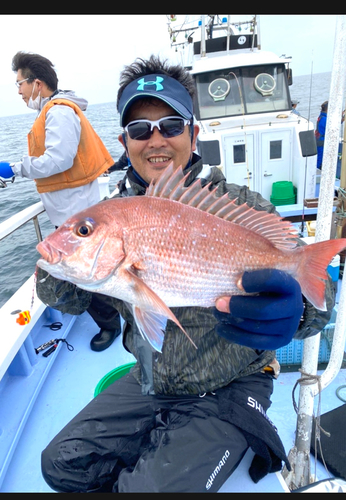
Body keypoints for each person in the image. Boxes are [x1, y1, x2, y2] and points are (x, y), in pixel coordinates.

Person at [38, 55, 335, 493]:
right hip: (150, 383)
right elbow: (63, 296)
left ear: (193, 134)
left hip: (230, 387)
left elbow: (317, 297)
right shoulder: (111, 212)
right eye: (140, 130)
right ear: (125, 142)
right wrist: (62, 257)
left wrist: (299, 310)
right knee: (59, 465)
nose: (155, 139)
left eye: (171, 125)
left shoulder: (241, 204)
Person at [0, 51, 121, 352]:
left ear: (37, 83)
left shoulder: (58, 112)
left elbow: (59, 159)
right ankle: (111, 318)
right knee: (88, 271)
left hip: (75, 211)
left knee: (87, 272)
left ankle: (110, 325)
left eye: (20, 84)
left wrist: (15, 168)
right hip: (72, 209)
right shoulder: (55, 111)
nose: (18, 92)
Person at [315, 100, 328, 170]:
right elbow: (331, 128)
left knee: (318, 157)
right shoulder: (325, 119)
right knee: (319, 158)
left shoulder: (321, 116)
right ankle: (316, 172)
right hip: (321, 141)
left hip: (318, 139)